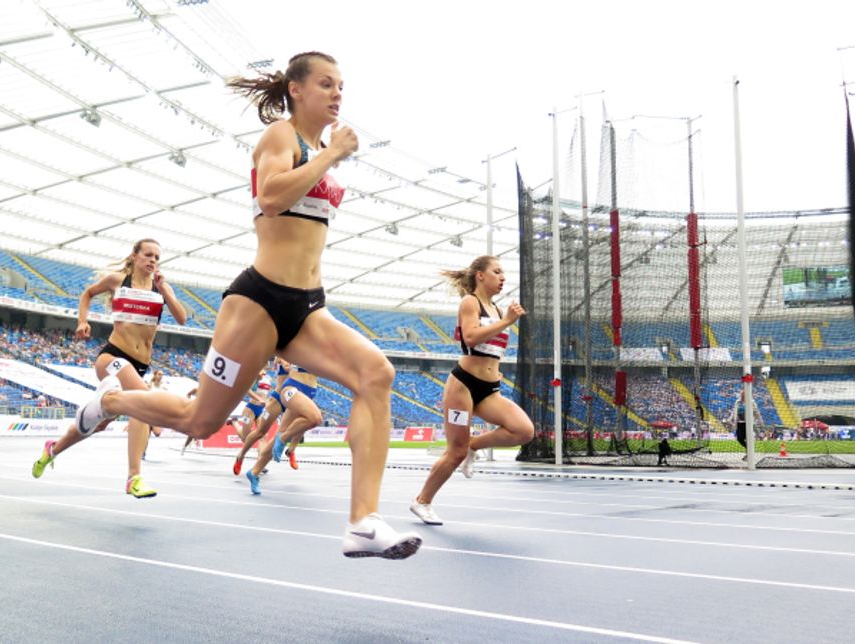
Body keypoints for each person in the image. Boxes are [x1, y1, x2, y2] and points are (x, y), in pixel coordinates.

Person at [75, 52, 420, 559]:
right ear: (296, 90)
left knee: (377, 375)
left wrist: (326, 154)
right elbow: (274, 197)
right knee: (200, 421)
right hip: (258, 301)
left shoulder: (318, 146)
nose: (337, 94)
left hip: (306, 306)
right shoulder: (282, 136)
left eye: (341, 86)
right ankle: (111, 403)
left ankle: (362, 522)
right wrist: (331, 157)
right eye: (326, 83)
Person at [32, 238, 187, 498]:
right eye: (148, 255)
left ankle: (53, 449)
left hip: (139, 366)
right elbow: (88, 293)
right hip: (112, 357)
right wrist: (82, 321)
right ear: (135, 256)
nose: (153, 260)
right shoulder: (118, 280)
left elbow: (182, 318)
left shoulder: (161, 287)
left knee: (97, 422)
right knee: (143, 403)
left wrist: (166, 291)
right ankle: (133, 477)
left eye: (157, 257)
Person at [409, 256, 535, 526]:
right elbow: (470, 337)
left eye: (504, 273)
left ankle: (472, 447)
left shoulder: (498, 310)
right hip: (463, 386)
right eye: (497, 272)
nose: (503, 278)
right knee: (454, 452)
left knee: (523, 430)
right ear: (480, 275)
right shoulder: (471, 303)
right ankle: (422, 502)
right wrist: (507, 322)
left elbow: (491, 348)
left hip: (489, 388)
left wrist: (495, 368)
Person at [243, 362, 322, 493]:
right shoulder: (295, 345)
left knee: (279, 436)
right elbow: (286, 366)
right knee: (315, 419)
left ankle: (254, 472)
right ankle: (283, 439)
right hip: (293, 387)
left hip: (309, 391)